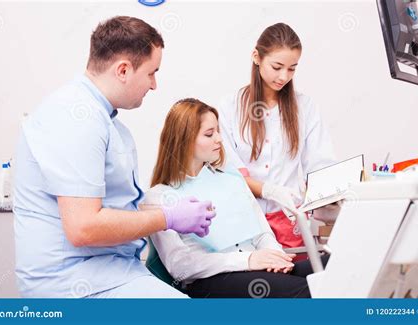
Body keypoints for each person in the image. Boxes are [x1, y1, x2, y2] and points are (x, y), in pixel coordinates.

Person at [12, 16, 215, 298]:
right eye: (151, 72)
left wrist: (173, 209)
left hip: (111, 272)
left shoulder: (104, 121)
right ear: (123, 70)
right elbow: (83, 227)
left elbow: (108, 209)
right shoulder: (76, 117)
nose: (154, 85)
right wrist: (168, 217)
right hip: (73, 284)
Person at [141, 98, 329, 298]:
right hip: (213, 278)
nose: (219, 139)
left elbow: (262, 233)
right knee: (309, 291)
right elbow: (180, 267)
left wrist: (275, 258)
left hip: (257, 265)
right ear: (184, 140)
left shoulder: (230, 178)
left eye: (218, 131)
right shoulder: (159, 196)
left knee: (337, 265)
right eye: (209, 134)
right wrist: (249, 260)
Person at [218, 23, 338, 253]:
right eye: (277, 66)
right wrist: (269, 191)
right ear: (256, 57)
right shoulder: (230, 107)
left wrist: (332, 191)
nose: (284, 76)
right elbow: (228, 173)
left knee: (298, 282)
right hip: (246, 221)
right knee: (258, 281)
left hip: (290, 221)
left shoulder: (305, 107)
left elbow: (320, 164)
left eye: (292, 69)